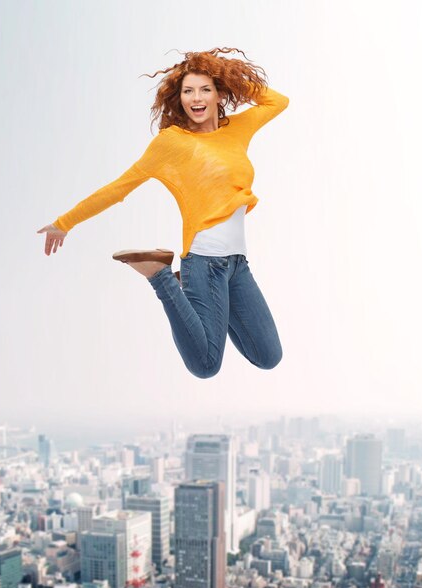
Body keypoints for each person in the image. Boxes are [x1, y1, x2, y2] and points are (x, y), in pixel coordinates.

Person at [38, 47, 289, 378]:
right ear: (179, 98)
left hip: (237, 266)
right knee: (206, 365)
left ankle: (187, 290)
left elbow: (277, 102)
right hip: (204, 262)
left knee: (268, 356)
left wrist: (229, 74)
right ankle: (159, 275)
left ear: (218, 94)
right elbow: (119, 187)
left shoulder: (236, 130)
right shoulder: (171, 143)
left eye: (205, 89)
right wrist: (63, 223)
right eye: (188, 91)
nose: (195, 98)